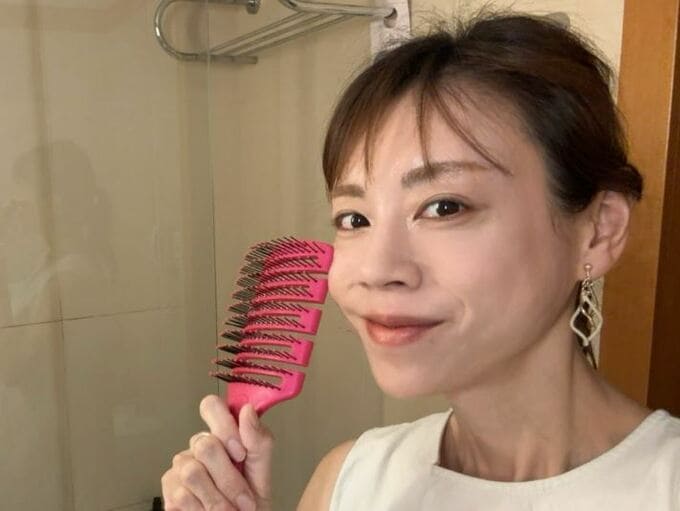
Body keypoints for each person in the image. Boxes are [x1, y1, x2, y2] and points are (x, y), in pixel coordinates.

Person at [161, 11, 680, 511]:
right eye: (354, 218)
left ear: (598, 231)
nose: (376, 270)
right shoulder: (347, 480)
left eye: (444, 207)